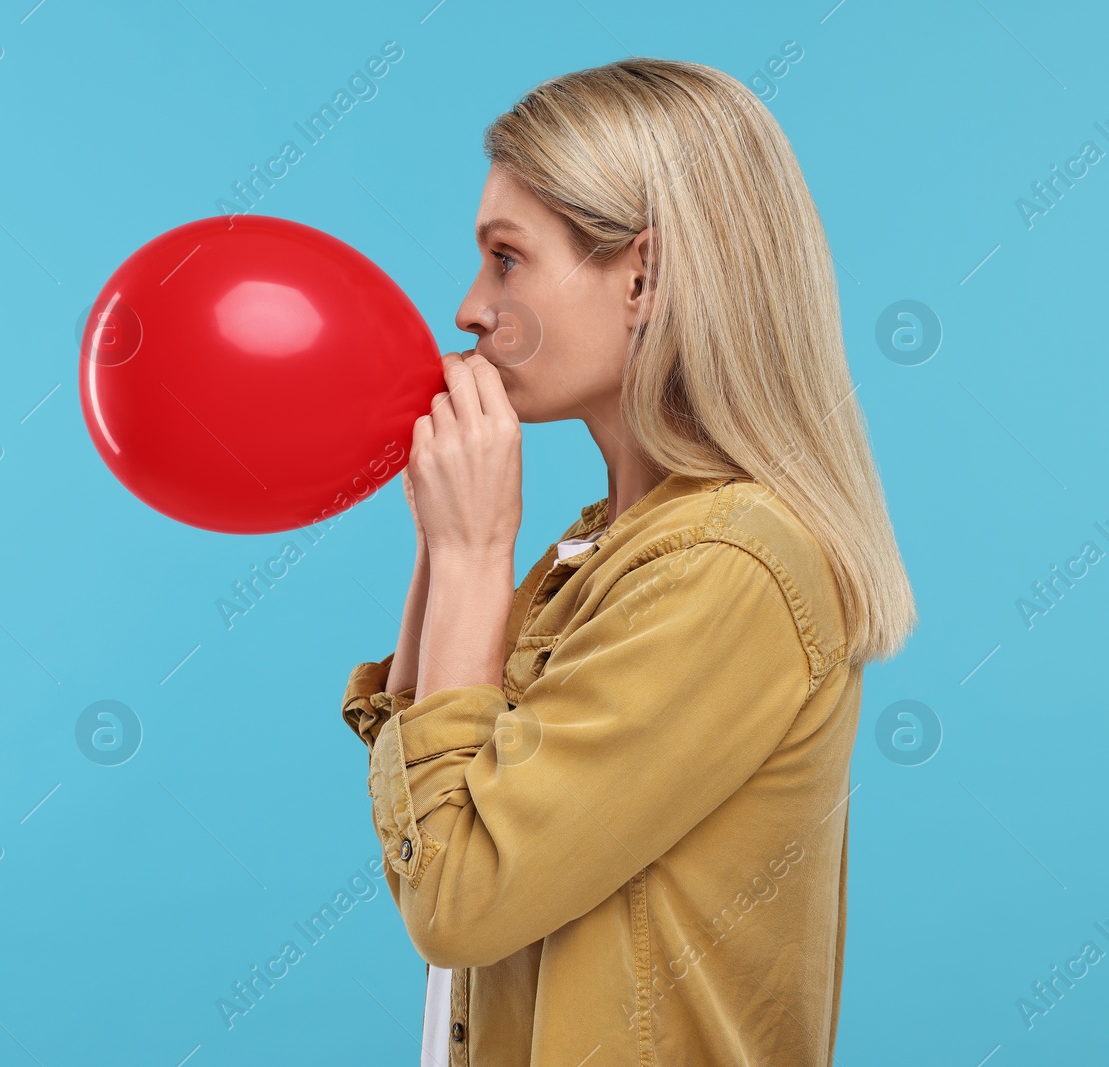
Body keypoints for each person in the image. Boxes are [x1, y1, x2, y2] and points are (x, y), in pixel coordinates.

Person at [340, 57, 916, 1067]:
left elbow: (458, 895)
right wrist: (444, 545)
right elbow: (431, 819)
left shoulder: (727, 564)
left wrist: (476, 554)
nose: (470, 307)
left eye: (506, 259)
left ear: (642, 276)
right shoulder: (601, 549)